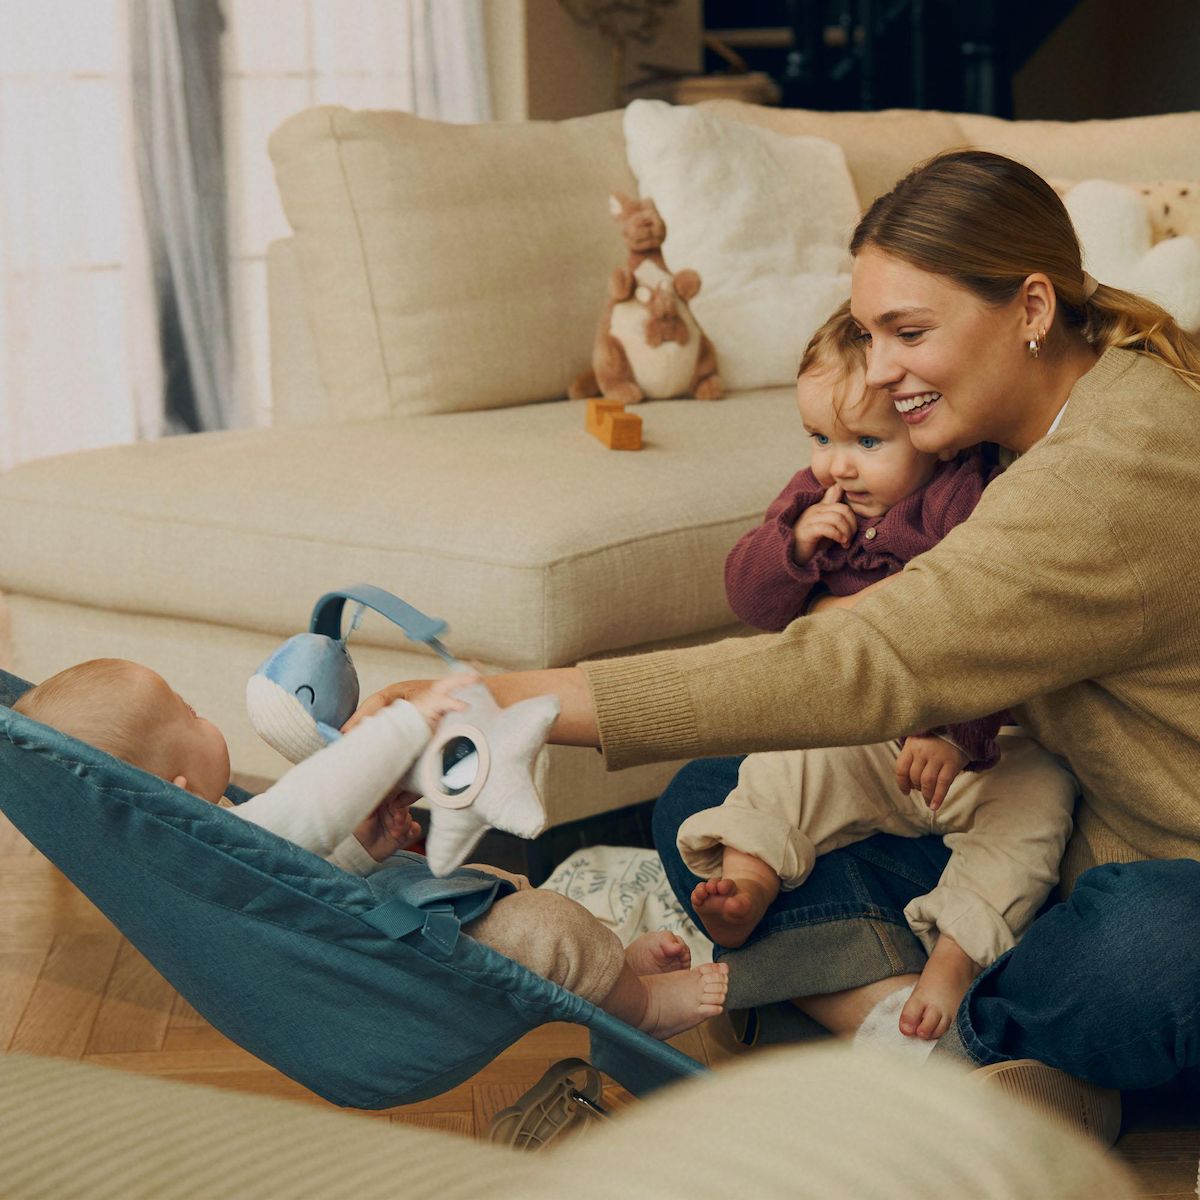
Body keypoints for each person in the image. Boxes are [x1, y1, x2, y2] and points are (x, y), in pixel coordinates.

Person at [350, 149, 1200, 1133]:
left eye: (908, 332)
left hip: (1156, 871)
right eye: (870, 333)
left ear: (1033, 309)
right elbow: (855, 633)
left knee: (1150, 951)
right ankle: (952, 1050)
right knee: (712, 803)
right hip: (1044, 840)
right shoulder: (1010, 433)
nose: (880, 372)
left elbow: (867, 662)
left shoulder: (1114, 467)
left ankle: (930, 1039)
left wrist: (503, 701)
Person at [679, 305, 1076, 1040]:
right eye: (820, 438)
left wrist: (958, 733)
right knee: (771, 760)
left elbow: (990, 628)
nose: (837, 463)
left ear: (926, 432)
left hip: (976, 752)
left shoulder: (965, 499)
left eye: (867, 441)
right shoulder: (814, 498)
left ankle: (951, 961)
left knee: (1040, 802)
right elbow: (752, 601)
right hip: (863, 741)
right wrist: (791, 550)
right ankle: (748, 884)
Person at [12, 658, 728, 1041]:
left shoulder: (195, 853)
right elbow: (316, 798)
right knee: (547, 928)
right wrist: (405, 726)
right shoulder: (220, 837)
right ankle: (641, 1010)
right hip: (388, 977)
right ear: (177, 786)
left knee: (503, 884)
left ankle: (615, 974)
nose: (205, 713)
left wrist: (361, 850)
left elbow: (292, 885)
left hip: (358, 939)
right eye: (188, 714)